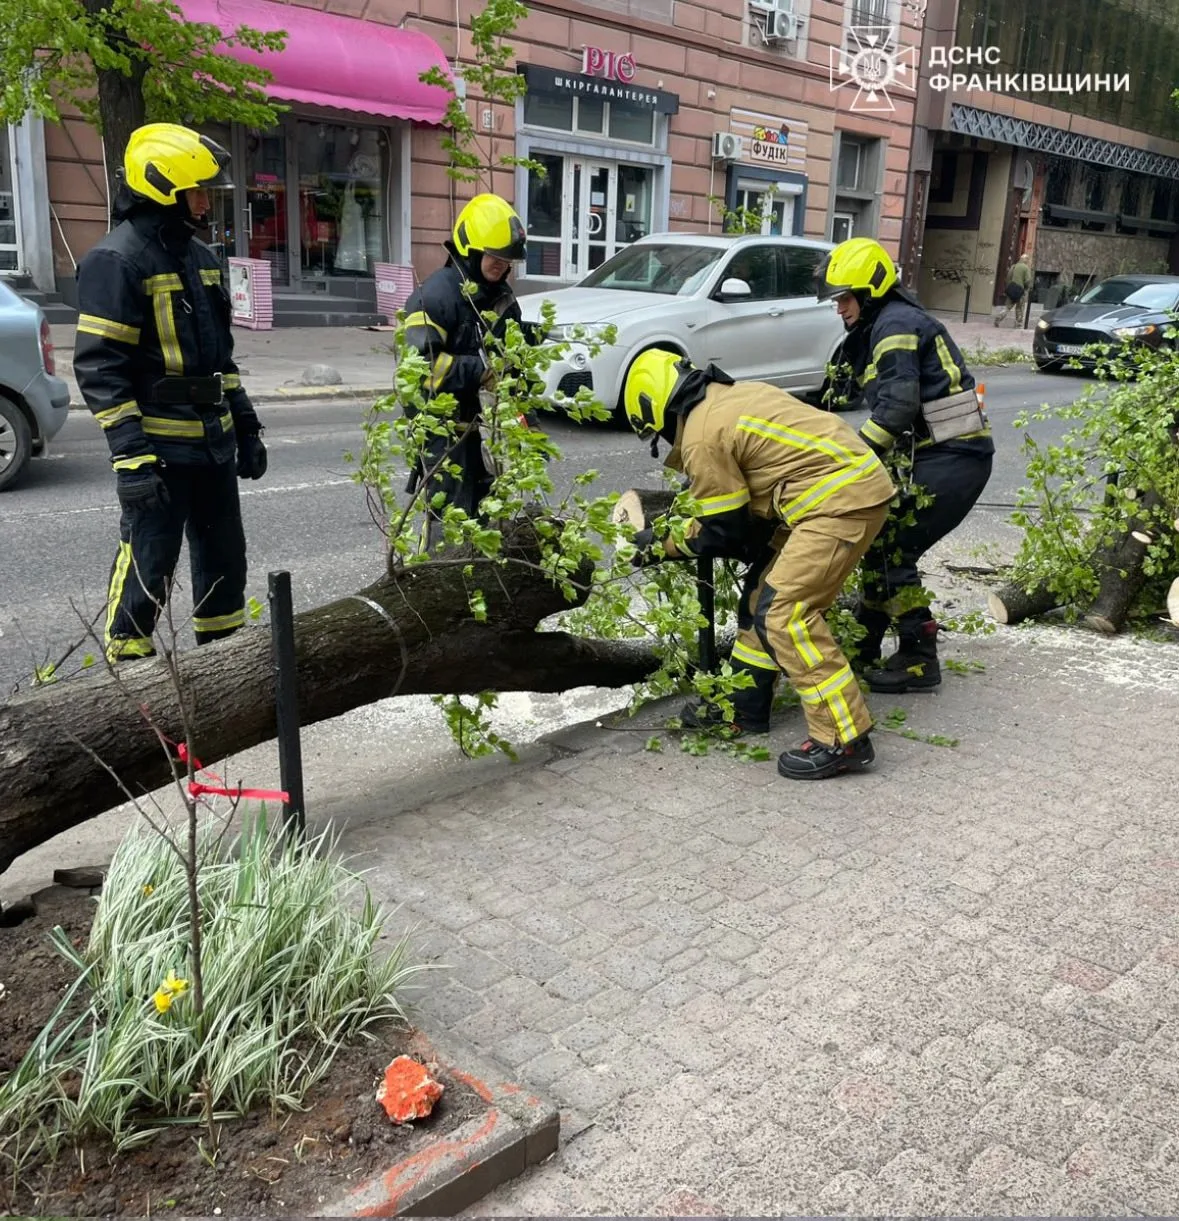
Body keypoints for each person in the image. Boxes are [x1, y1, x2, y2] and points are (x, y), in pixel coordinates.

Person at [622, 350, 896, 781]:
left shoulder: (700, 435)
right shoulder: (728, 398)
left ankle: (845, 737)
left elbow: (724, 530)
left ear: (656, 410)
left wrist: (663, 545)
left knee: (786, 614)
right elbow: (744, 519)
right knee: (758, 601)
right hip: (828, 495)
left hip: (838, 503)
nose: (667, 443)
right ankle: (744, 706)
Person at [74, 123, 266, 665]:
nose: (207, 202)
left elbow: (220, 358)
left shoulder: (201, 259)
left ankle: (223, 668)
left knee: (225, 564)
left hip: (213, 444)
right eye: (198, 192)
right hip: (158, 451)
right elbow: (99, 367)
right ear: (163, 189)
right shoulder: (118, 261)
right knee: (148, 566)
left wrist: (246, 426)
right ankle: (127, 682)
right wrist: (131, 459)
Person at [817, 237, 994, 693]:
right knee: (879, 546)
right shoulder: (888, 322)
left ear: (870, 292)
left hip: (955, 456)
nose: (839, 309)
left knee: (892, 548)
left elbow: (896, 407)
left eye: (845, 298)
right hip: (943, 453)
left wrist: (851, 464)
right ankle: (865, 642)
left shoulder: (895, 326)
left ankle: (918, 654)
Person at [400, 194, 535, 547]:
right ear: (469, 250)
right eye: (495, 258)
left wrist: (526, 421)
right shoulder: (434, 298)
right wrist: (480, 370)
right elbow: (417, 372)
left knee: (492, 521)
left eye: (508, 261)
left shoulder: (502, 300)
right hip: (447, 436)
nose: (502, 267)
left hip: (489, 433)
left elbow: (513, 368)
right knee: (452, 529)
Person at [995, 251, 1032, 327]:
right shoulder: (1026, 268)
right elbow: (1028, 281)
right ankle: (1018, 324)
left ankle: (999, 317)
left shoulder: (1014, 266)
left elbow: (1008, 277)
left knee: (1007, 307)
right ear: (1026, 260)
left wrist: (1010, 287)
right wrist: (1026, 288)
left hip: (1012, 290)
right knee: (1020, 308)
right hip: (1021, 291)